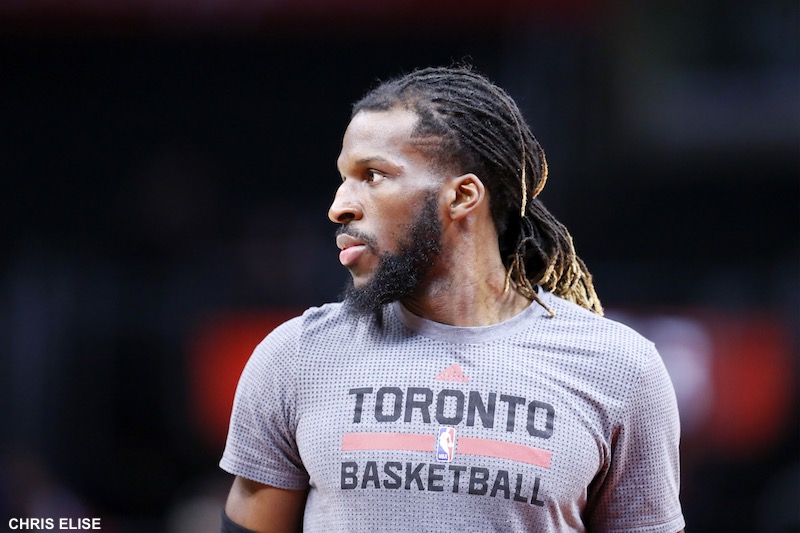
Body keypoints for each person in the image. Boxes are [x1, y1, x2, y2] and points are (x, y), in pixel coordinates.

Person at [219, 66, 685, 532]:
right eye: (344, 177)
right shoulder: (295, 357)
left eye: (373, 175)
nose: (339, 206)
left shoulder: (620, 369)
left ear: (462, 196)